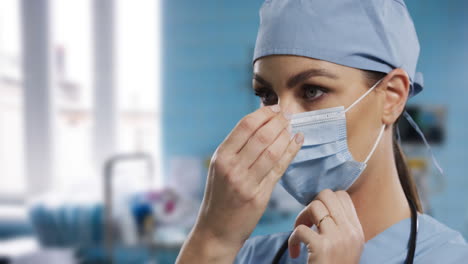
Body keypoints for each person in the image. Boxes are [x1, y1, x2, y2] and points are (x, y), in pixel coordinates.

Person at [176, 0, 468, 263]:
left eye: (312, 90)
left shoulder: (450, 257)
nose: (283, 120)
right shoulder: (251, 257)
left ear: (392, 96)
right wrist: (212, 237)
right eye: (267, 95)